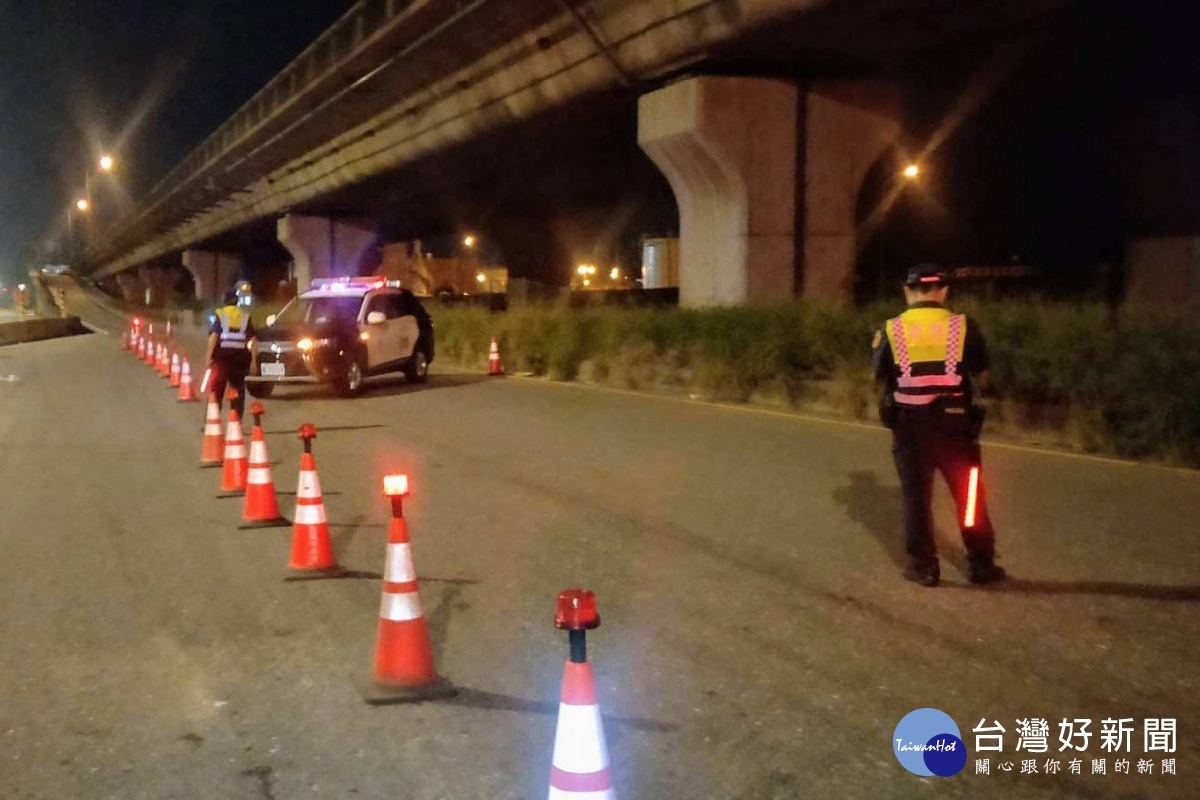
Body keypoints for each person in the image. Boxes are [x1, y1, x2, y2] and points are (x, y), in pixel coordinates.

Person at [871, 264, 1006, 587]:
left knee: (916, 498)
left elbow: (878, 375)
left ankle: (924, 567)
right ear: (943, 291)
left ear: (907, 292)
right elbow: (983, 375)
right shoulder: (963, 326)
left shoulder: (891, 329)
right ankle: (981, 565)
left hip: (909, 425)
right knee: (969, 495)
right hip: (956, 424)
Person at [205, 288, 258, 419]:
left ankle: (212, 421)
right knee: (238, 392)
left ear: (224, 301)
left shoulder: (221, 314)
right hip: (239, 360)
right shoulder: (244, 316)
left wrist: (208, 357)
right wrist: (253, 362)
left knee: (217, 391)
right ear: (237, 301)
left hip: (221, 359)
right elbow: (254, 340)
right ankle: (237, 422)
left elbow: (214, 337)